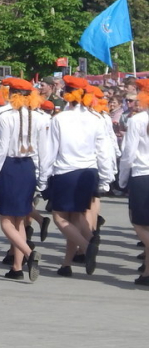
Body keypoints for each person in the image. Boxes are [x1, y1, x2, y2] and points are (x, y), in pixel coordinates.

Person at [38, 75, 114, 277]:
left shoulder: (60, 119)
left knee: (60, 218)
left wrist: (43, 177)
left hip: (67, 171)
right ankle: (67, 263)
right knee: (76, 217)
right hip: (89, 171)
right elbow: (104, 151)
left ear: (66, 95)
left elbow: (50, 151)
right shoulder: (96, 119)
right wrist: (106, 178)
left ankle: (87, 245)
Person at [0, 78, 42, 281]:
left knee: (6, 220)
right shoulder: (39, 117)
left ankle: (29, 253)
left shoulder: (6, 117)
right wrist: (41, 176)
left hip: (9, 167)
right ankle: (17, 267)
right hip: (28, 168)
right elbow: (43, 150)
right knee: (19, 220)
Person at [119, 80, 149, 287]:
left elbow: (128, 153)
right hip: (142, 174)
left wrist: (122, 179)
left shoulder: (137, 120)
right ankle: (147, 273)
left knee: (139, 223)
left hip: (142, 174)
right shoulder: (139, 119)